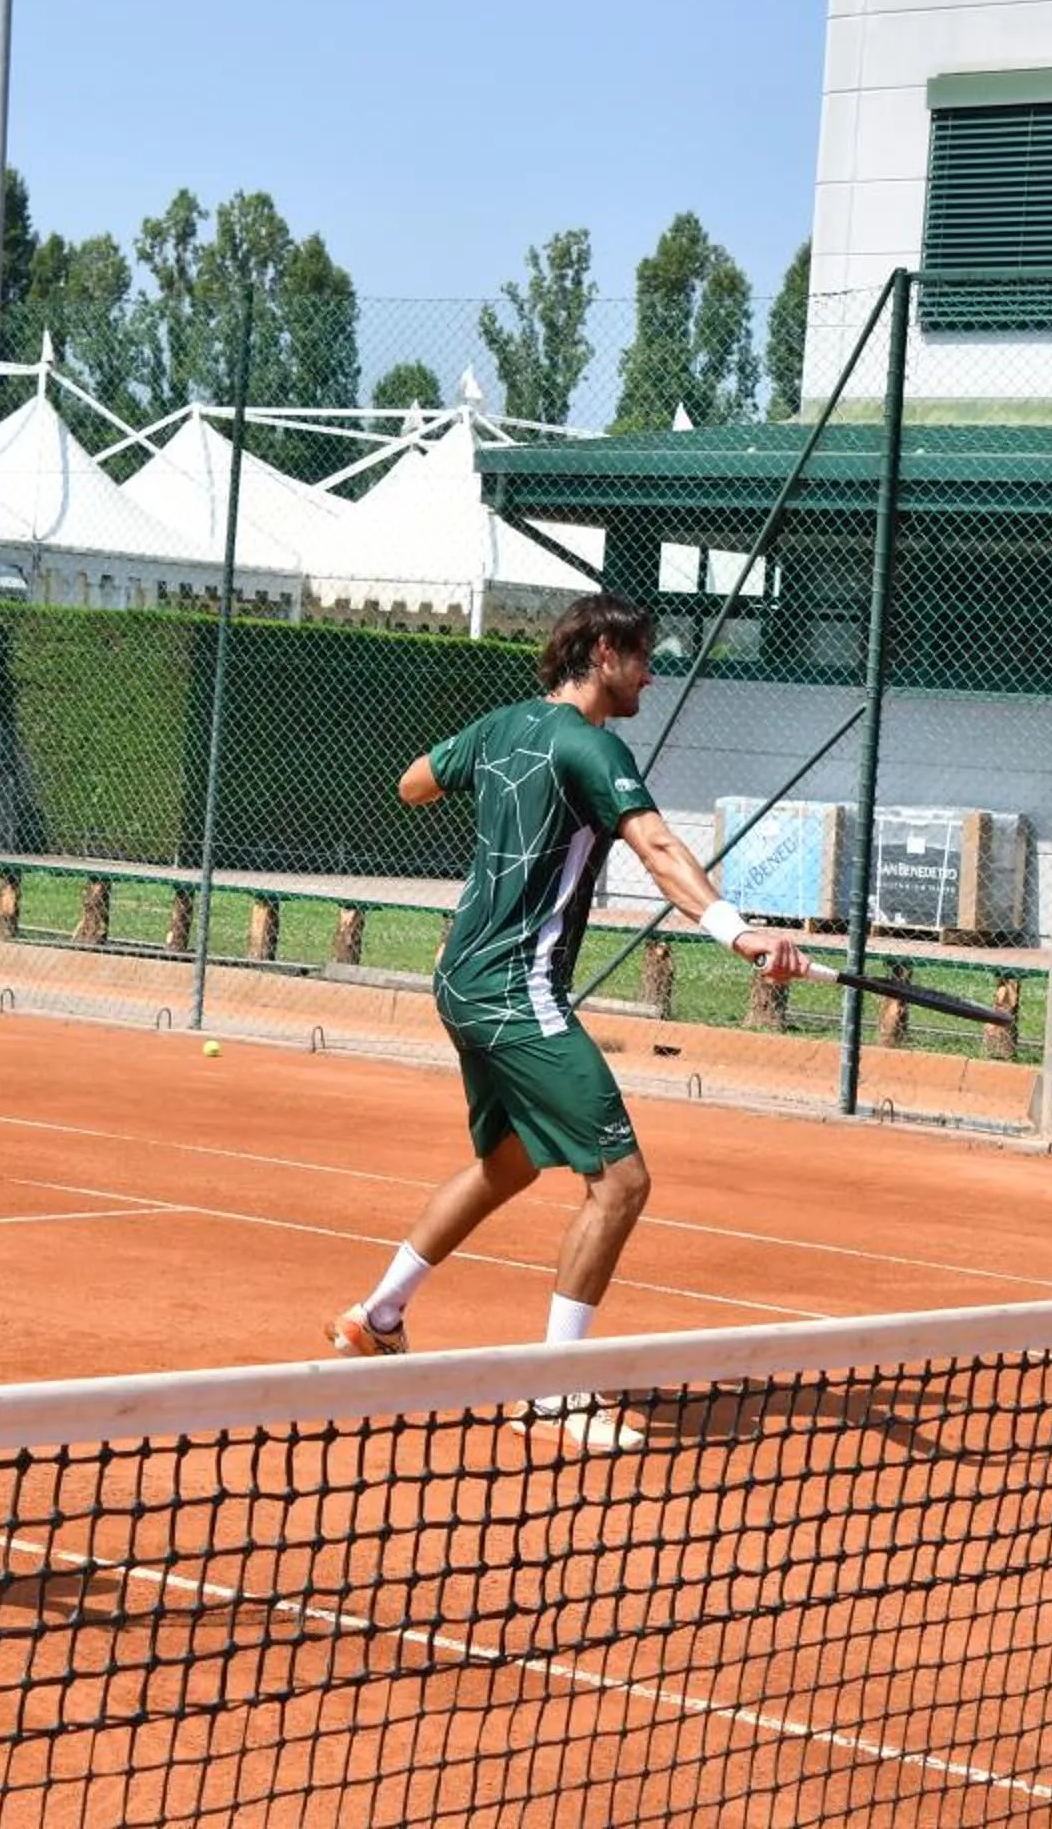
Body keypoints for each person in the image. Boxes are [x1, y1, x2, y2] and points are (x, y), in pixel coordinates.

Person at [325, 592, 804, 1450]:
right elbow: (658, 848)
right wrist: (740, 933)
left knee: (507, 1164)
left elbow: (414, 784)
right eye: (643, 658)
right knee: (620, 1183)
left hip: (460, 979)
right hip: (517, 988)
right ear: (605, 651)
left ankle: (378, 1313)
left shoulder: (503, 727)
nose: (651, 676)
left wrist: (499, 804)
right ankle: (556, 1391)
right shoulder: (593, 747)